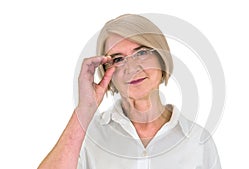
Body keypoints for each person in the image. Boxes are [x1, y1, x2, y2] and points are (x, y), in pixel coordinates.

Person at [38, 14, 221, 169]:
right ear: (106, 71)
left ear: (161, 58)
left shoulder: (198, 141)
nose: (131, 68)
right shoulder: (89, 136)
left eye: (141, 53)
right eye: (118, 59)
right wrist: (84, 110)